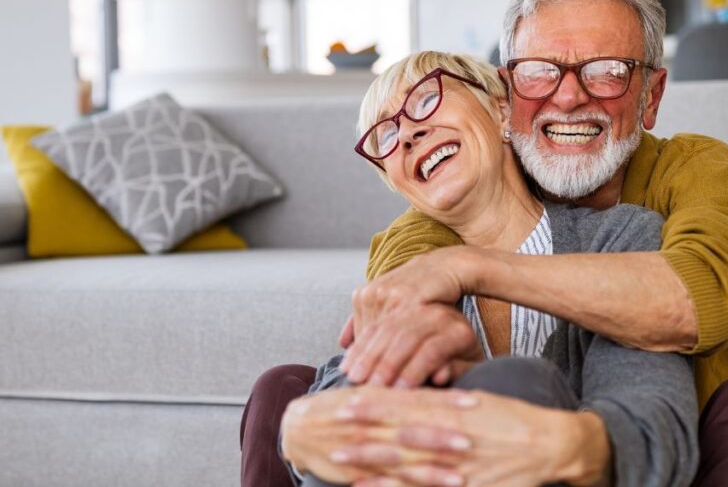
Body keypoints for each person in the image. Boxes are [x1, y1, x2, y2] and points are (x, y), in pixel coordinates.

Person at [242, 0, 728, 487]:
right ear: (508, 93)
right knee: (283, 395)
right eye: (540, 70)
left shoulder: (678, 184)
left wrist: (474, 269)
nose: (568, 96)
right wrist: (313, 425)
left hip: (654, 450)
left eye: (606, 71)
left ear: (650, 96)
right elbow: (391, 323)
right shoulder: (441, 211)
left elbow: (696, 298)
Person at [280, 50, 699, 486]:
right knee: (284, 396)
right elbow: (346, 380)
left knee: (515, 380)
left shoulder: (619, 237)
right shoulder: (410, 268)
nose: (406, 133)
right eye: (384, 135)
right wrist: (302, 429)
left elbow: (651, 424)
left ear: (502, 110)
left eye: (425, 101)